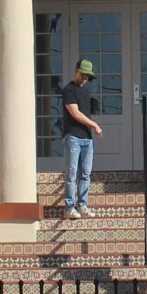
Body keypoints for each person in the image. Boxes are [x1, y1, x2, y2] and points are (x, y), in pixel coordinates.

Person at [57, 57, 102, 218]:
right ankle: (69, 207)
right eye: (83, 74)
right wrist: (94, 125)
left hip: (87, 139)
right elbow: (75, 113)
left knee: (85, 173)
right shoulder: (68, 90)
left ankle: (82, 205)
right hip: (73, 137)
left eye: (88, 76)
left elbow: (86, 110)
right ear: (76, 72)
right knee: (71, 173)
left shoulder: (86, 90)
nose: (85, 78)